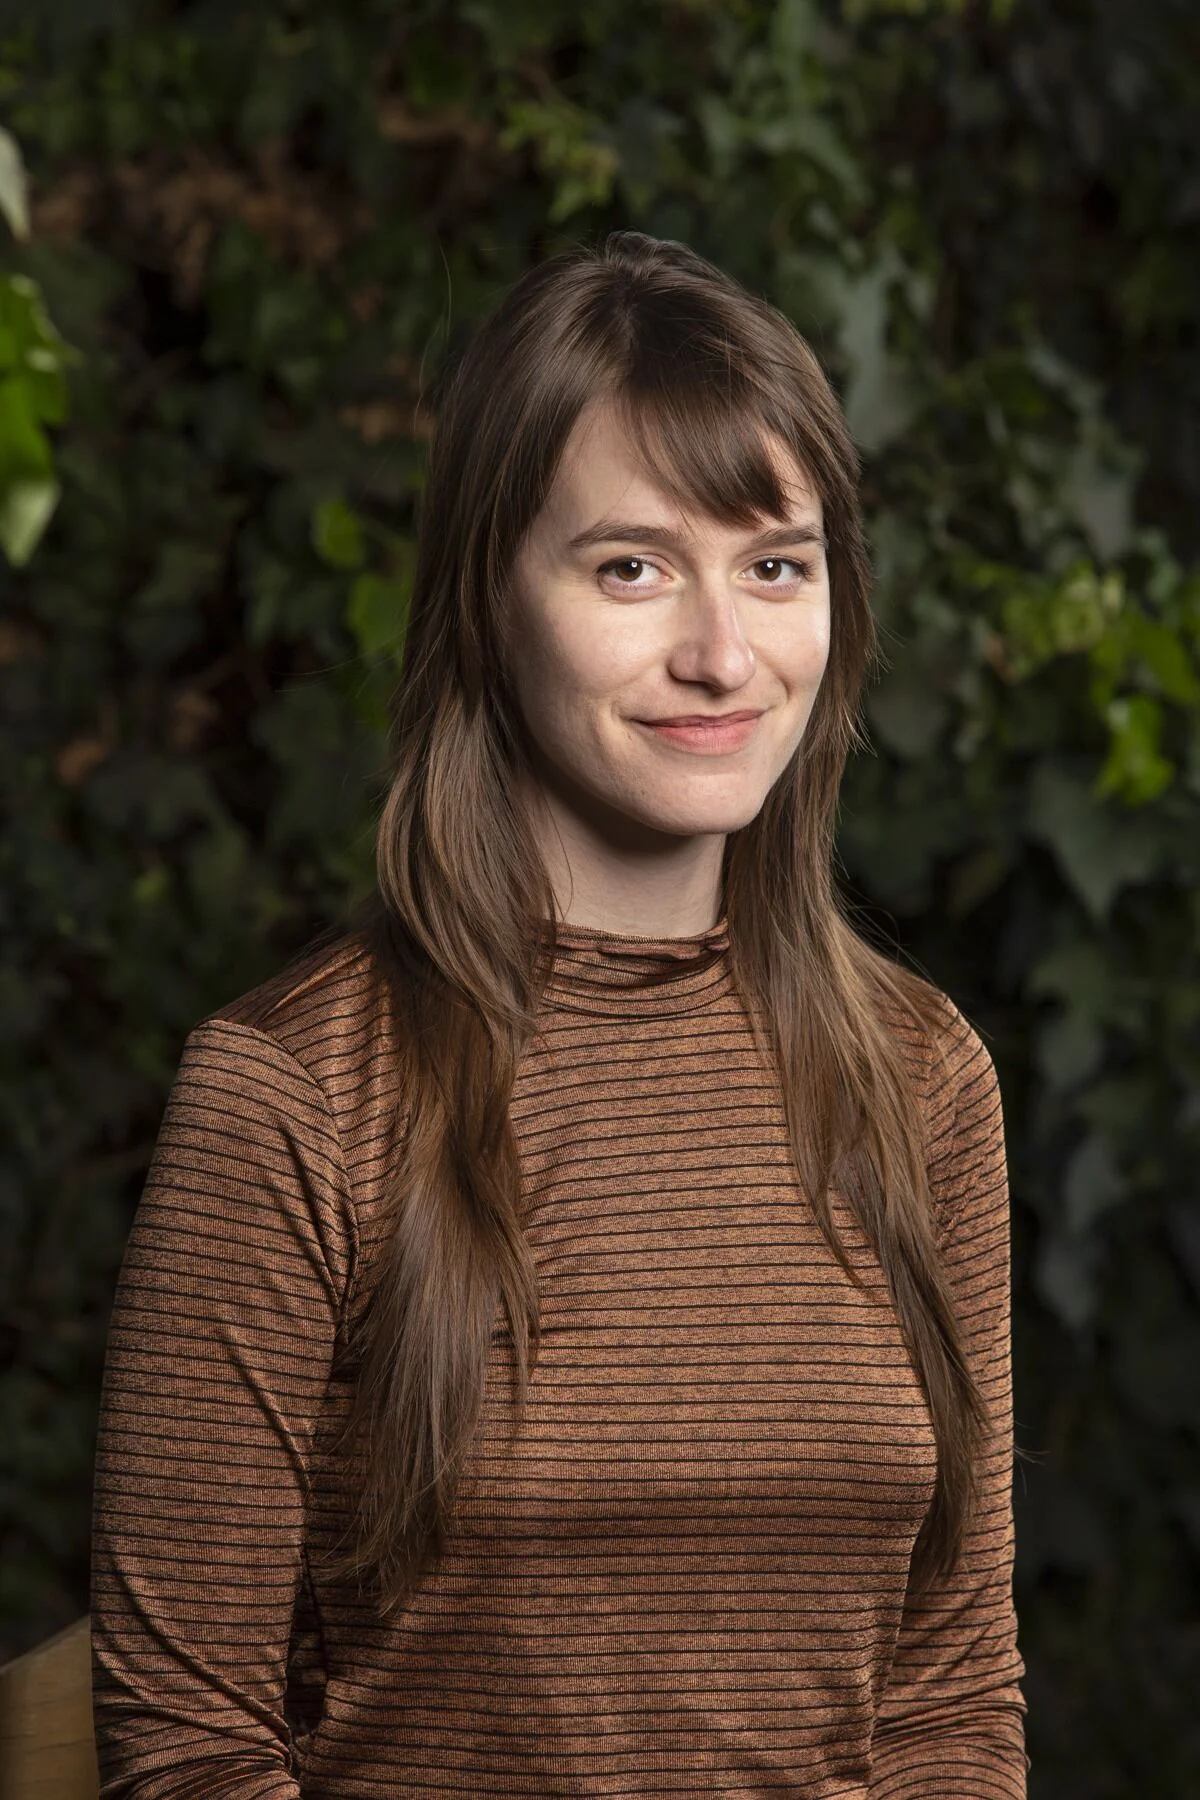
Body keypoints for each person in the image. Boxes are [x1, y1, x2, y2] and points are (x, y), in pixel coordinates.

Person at [90, 229, 1029, 1796]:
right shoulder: (295, 1096)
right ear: (488, 597)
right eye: (632, 565)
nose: (724, 653)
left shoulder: (920, 1078)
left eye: (774, 564)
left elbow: (949, 1702)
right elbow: (187, 1751)